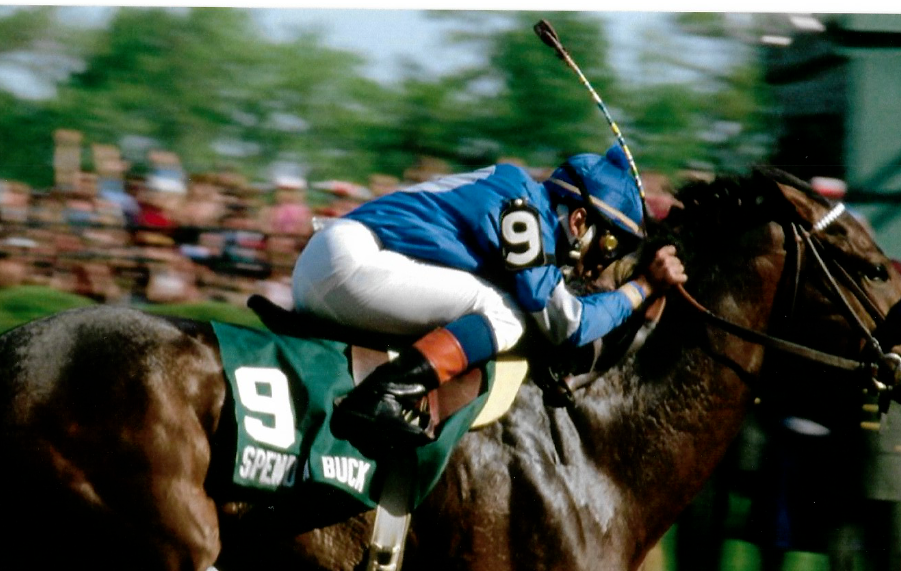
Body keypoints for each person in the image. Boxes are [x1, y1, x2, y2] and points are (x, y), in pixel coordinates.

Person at [291, 145, 687, 447]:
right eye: (605, 248)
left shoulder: (519, 192)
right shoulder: (525, 213)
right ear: (580, 220)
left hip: (336, 260)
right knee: (508, 313)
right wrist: (643, 289)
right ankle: (385, 394)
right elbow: (567, 325)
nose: (596, 267)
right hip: (346, 264)